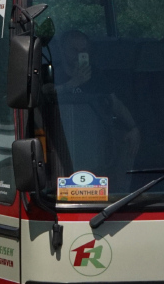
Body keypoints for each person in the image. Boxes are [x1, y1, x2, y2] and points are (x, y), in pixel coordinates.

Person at [52, 30, 140, 178]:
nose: (79, 55)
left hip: (96, 136)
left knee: (126, 143)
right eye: (74, 50)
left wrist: (133, 128)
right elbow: (42, 96)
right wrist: (72, 84)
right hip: (62, 137)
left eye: (83, 50)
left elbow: (114, 103)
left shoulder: (95, 74)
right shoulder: (54, 73)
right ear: (62, 50)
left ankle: (118, 196)